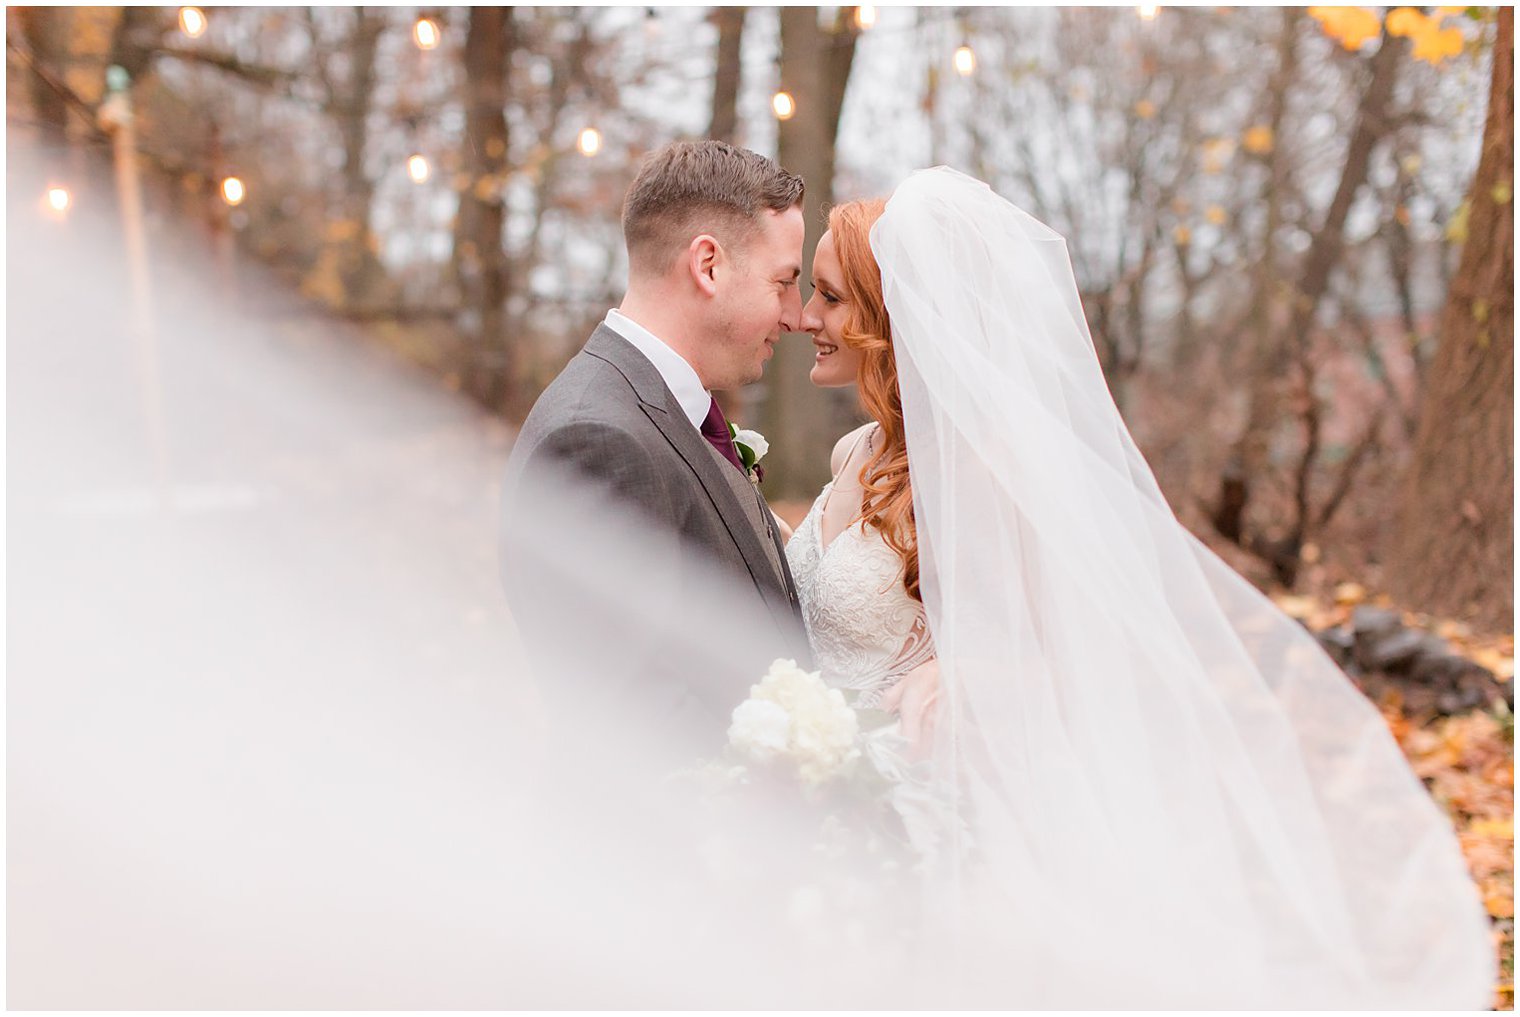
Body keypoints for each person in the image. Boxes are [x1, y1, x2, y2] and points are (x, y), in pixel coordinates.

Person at [783, 166, 1495, 1006]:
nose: (805, 319)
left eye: (828, 297)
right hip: (828, 807)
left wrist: (967, 669)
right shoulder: (854, 456)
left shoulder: (986, 476)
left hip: (940, 816)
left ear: (887, 312)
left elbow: (1068, 643)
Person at [500, 140, 811, 750]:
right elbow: (632, 725)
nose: (796, 316)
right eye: (784, 283)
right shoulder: (596, 441)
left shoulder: (664, 411)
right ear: (709, 266)